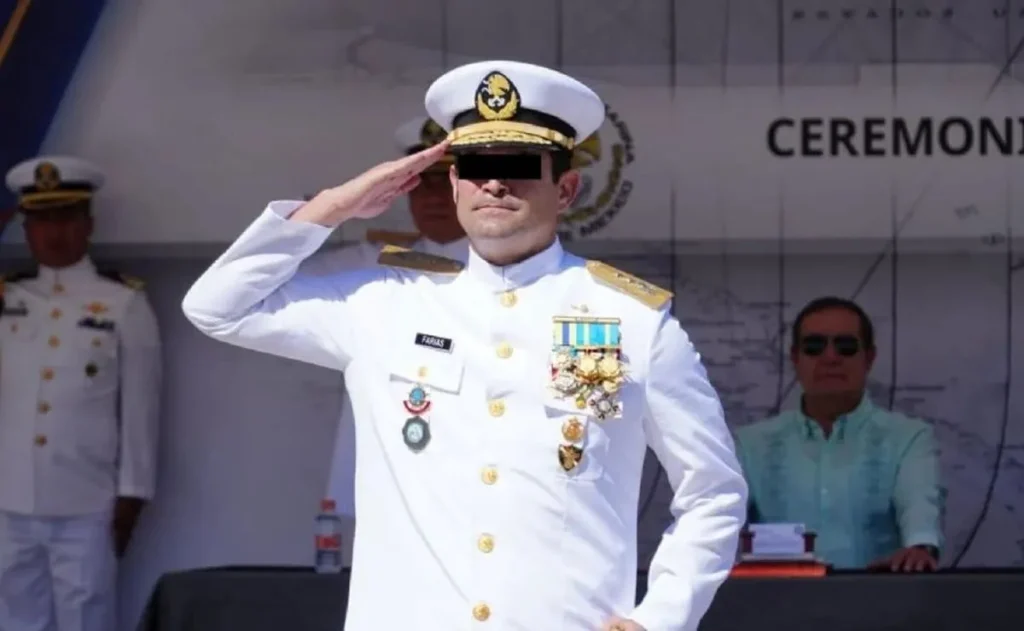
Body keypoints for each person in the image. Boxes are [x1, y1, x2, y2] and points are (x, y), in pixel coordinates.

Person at [182, 60, 746, 631]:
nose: (495, 184)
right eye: (476, 167)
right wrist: (335, 206)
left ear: (567, 188)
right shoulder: (382, 300)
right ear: (454, 184)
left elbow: (714, 492)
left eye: (522, 168)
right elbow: (216, 307)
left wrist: (661, 619)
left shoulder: (633, 321)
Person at [0, 156, 162, 631]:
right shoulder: (8, 300)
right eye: (41, 220)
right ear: (25, 229)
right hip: (7, 497)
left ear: (87, 224)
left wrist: (133, 494)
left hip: (87, 501)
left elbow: (141, 408)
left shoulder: (123, 302)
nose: (54, 233)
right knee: (12, 619)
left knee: (87, 616)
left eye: (65, 218)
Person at [302, 116, 468, 548]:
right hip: (392, 480)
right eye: (421, 184)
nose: (432, 198)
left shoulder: (519, 271)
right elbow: (255, 286)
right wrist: (321, 215)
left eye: (446, 181)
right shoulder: (373, 261)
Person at [735, 297, 942, 572]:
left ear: (868, 358)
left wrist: (919, 548)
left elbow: (919, 508)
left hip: (880, 606)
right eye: (814, 346)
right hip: (778, 606)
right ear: (796, 359)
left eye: (845, 346)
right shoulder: (749, 445)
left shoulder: (909, 439)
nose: (830, 357)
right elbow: (714, 524)